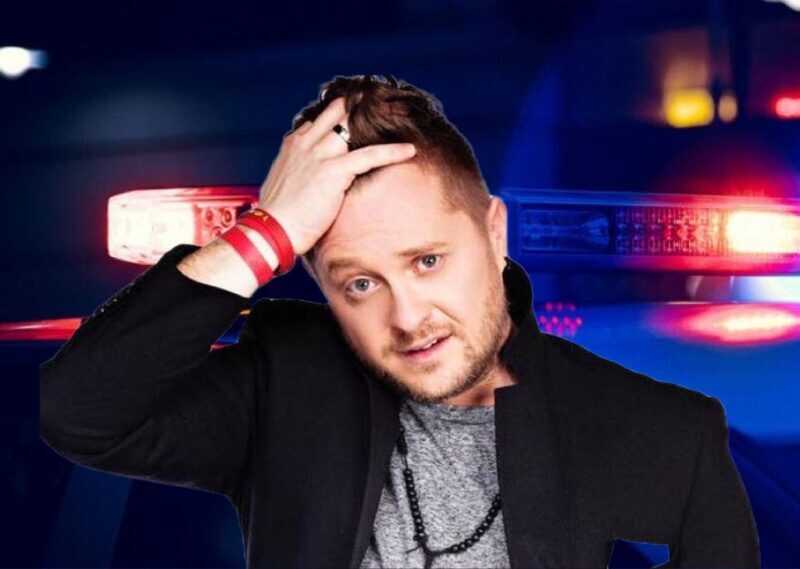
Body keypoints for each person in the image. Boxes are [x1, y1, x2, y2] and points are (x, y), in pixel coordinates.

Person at [39, 74, 760, 568]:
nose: (408, 317)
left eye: (427, 261)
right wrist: (267, 233)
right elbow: (80, 414)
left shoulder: (657, 429)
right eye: (360, 283)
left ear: (495, 233)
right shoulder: (286, 391)